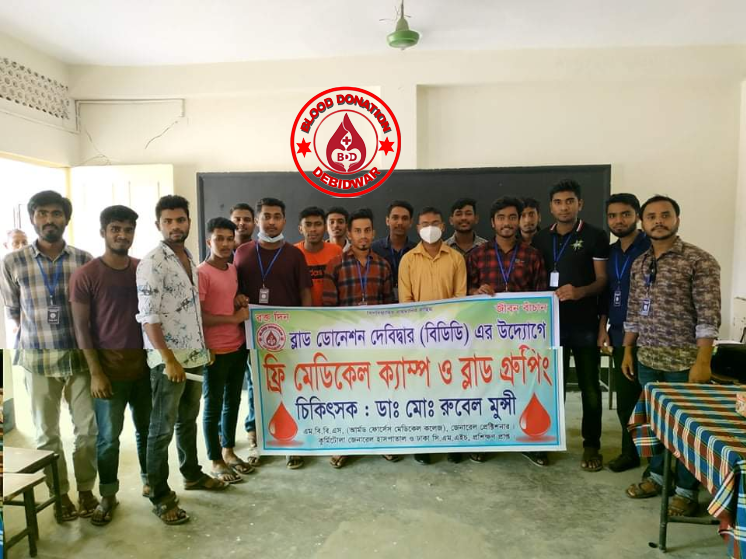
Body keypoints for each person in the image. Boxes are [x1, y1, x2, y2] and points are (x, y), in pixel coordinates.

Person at [0, 190, 99, 522]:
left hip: (80, 359)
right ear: (32, 218)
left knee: (87, 431)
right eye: (42, 213)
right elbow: (14, 310)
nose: (49, 219)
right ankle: (59, 494)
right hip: (38, 360)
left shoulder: (83, 260)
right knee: (46, 434)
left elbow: (94, 311)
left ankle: (85, 489)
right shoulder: (12, 262)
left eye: (56, 213)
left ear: (66, 219)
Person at [623, 195, 720, 517]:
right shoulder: (640, 263)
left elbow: (708, 316)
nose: (658, 221)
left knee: (686, 429)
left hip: (685, 362)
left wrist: (703, 361)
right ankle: (656, 477)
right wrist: (628, 350)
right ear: (643, 222)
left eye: (665, 215)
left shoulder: (699, 260)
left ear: (677, 219)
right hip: (648, 359)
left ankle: (686, 491)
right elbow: (634, 312)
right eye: (651, 216)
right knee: (654, 424)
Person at [136, 195, 227, 526]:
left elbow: (191, 310)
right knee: (161, 429)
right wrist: (168, 359)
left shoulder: (189, 258)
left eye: (180, 220)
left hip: (194, 355)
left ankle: (191, 473)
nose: (175, 226)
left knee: (188, 419)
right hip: (168, 362)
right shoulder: (152, 263)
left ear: (189, 222)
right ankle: (160, 495)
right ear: (158, 225)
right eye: (168, 221)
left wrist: (203, 346)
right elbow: (148, 317)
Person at [69, 205, 150, 526]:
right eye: (116, 229)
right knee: (108, 439)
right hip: (109, 375)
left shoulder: (142, 270)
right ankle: (108, 495)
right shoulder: (86, 275)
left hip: (145, 371)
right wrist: (96, 373)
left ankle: (150, 481)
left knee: (147, 432)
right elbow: (81, 329)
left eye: (128, 230)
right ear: (103, 232)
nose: (122, 235)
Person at [532, 179, 609, 472]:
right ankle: (549, 440)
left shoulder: (595, 235)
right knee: (553, 388)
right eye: (558, 202)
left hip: (584, 323)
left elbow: (602, 280)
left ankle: (592, 444)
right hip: (550, 325)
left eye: (569, 201)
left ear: (580, 204)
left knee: (590, 388)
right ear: (550, 207)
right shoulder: (541, 238)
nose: (564, 207)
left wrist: (580, 292)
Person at [467, 196, 548, 466]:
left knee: (525, 386)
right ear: (492, 222)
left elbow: (542, 296)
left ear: (520, 220)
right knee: (489, 387)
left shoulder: (532, 256)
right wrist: (475, 291)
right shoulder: (477, 255)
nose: (507, 223)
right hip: (487, 337)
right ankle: (487, 439)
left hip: (524, 338)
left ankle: (531, 441)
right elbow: (464, 292)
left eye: (513, 217)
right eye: (501, 218)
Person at [234, 197, 313, 470]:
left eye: (276, 216)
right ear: (258, 220)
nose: (271, 222)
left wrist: (305, 327)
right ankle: (259, 441)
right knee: (257, 388)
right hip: (253, 334)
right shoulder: (242, 252)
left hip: (288, 334)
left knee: (289, 387)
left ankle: (292, 442)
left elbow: (305, 292)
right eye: (266, 216)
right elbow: (234, 290)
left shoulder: (294, 254)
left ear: (284, 221)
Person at [322, 208, 399, 468]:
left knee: (378, 392)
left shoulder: (383, 265)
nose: (363, 236)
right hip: (347, 344)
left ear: (373, 233)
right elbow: (329, 310)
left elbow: (389, 306)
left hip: (376, 343)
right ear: (349, 233)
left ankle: (381, 442)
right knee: (346, 395)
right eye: (357, 231)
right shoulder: (335, 265)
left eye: (367, 230)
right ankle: (345, 444)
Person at [399, 206, 467, 465]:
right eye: (425, 224)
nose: (430, 228)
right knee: (422, 391)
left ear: (443, 226)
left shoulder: (456, 258)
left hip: (450, 337)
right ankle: (424, 442)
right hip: (419, 339)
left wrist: (443, 326)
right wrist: (425, 328)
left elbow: (460, 298)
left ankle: (453, 442)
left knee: (451, 390)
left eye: (435, 223)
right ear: (417, 228)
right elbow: (406, 301)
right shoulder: (408, 260)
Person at [597, 194, 650, 473]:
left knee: (653, 402)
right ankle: (630, 453)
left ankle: (658, 461)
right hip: (618, 333)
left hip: (651, 336)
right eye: (613, 216)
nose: (619, 220)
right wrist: (603, 328)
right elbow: (606, 294)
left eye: (625, 214)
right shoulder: (610, 252)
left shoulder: (651, 247)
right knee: (626, 400)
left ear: (637, 216)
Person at [198, 218, 254, 484]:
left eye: (229, 239)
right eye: (218, 238)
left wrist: (238, 300)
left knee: (233, 402)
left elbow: (226, 300)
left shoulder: (232, 269)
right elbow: (199, 315)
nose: (224, 244)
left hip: (237, 346)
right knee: (213, 406)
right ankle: (215, 460)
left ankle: (228, 451)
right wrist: (233, 319)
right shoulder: (201, 273)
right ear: (208, 241)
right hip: (214, 351)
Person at [229, 203, 259, 454]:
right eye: (237, 219)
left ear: (254, 223)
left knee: (254, 381)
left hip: (254, 325)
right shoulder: (221, 251)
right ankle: (223, 434)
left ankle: (253, 427)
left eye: (246, 219)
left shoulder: (259, 251)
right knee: (227, 386)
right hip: (226, 328)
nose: (241, 223)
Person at [295, 207, 342, 306]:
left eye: (318, 224)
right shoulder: (294, 252)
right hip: (302, 311)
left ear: (325, 228)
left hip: (332, 310)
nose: (313, 229)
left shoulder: (337, 251)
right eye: (308, 225)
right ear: (300, 229)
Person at [371, 200, 417, 302]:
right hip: (381, 305)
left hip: (411, 304)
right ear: (387, 221)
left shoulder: (417, 250)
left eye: (404, 218)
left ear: (411, 222)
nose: (400, 222)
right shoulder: (374, 249)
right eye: (395, 217)